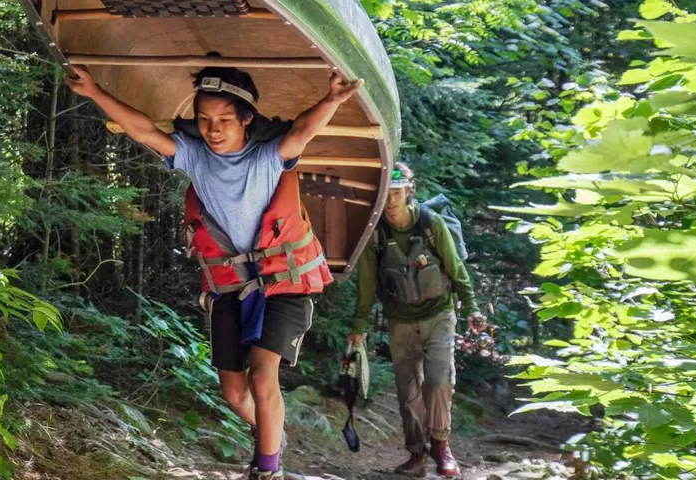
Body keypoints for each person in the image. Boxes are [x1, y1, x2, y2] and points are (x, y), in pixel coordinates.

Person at [67, 65, 361, 479]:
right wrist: (94, 90)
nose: (213, 130)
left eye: (224, 120)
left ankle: (266, 469)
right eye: (204, 120)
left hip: (283, 282)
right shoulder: (195, 157)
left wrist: (331, 99)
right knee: (235, 392)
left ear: (245, 119)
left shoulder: (267, 157)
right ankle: (271, 436)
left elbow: (301, 132)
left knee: (262, 377)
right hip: (231, 288)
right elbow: (144, 131)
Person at [348, 163, 487, 478]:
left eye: (396, 193)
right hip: (400, 321)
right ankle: (416, 454)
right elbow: (367, 285)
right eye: (385, 195)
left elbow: (455, 267)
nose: (390, 202)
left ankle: (441, 447)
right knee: (407, 390)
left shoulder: (431, 223)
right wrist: (358, 327)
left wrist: (472, 307)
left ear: (408, 192)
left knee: (438, 382)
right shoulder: (375, 234)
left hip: (439, 314)